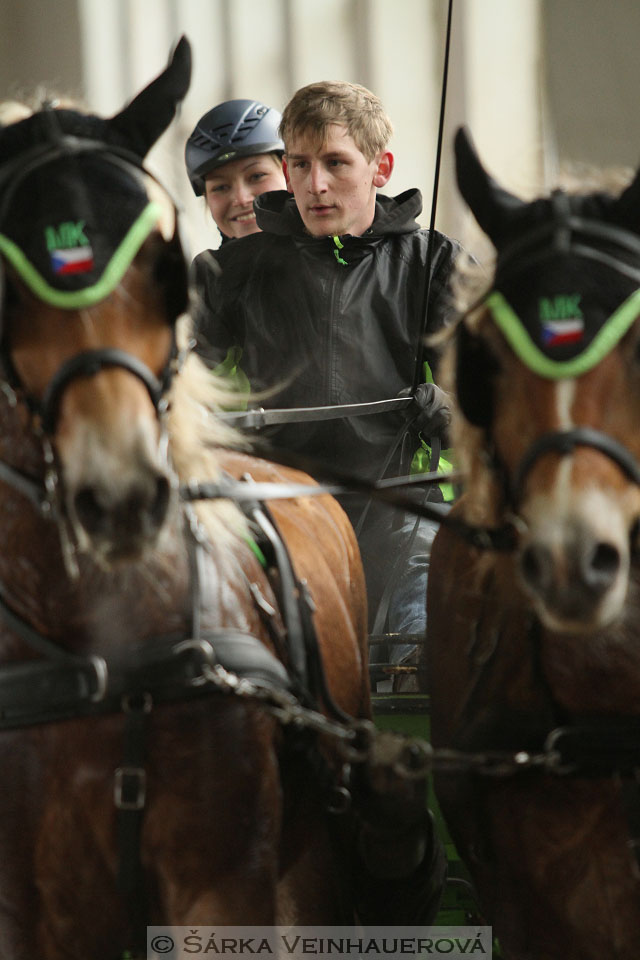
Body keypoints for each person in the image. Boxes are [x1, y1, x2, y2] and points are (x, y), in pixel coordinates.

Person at [191, 80, 459, 688]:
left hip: (400, 505)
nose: (315, 186)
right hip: (271, 514)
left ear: (379, 169)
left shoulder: (435, 264)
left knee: (422, 642)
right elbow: (182, 388)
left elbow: (489, 407)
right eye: (302, 165)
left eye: (336, 163)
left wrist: (442, 408)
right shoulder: (226, 272)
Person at [185, 98, 286, 240]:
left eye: (257, 176)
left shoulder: (327, 252)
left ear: (290, 174)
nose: (241, 199)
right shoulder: (205, 263)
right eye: (220, 187)